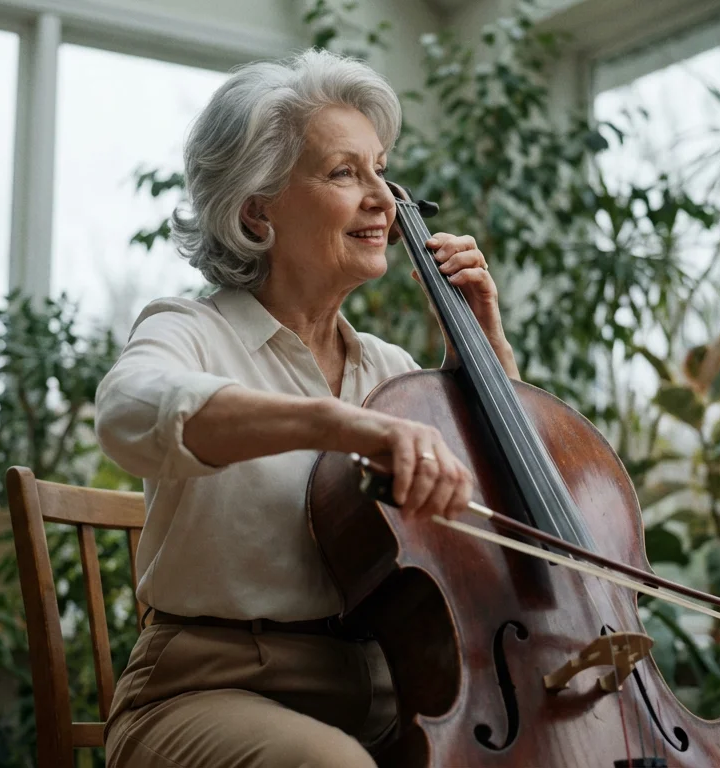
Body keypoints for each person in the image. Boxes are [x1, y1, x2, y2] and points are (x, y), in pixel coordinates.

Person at [94, 48, 520, 768]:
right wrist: (334, 423)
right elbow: (130, 414)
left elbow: (497, 512)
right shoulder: (190, 331)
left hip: (387, 691)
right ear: (258, 209)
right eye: (344, 172)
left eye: (380, 170)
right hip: (205, 691)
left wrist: (486, 350)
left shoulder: (391, 371)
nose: (384, 198)